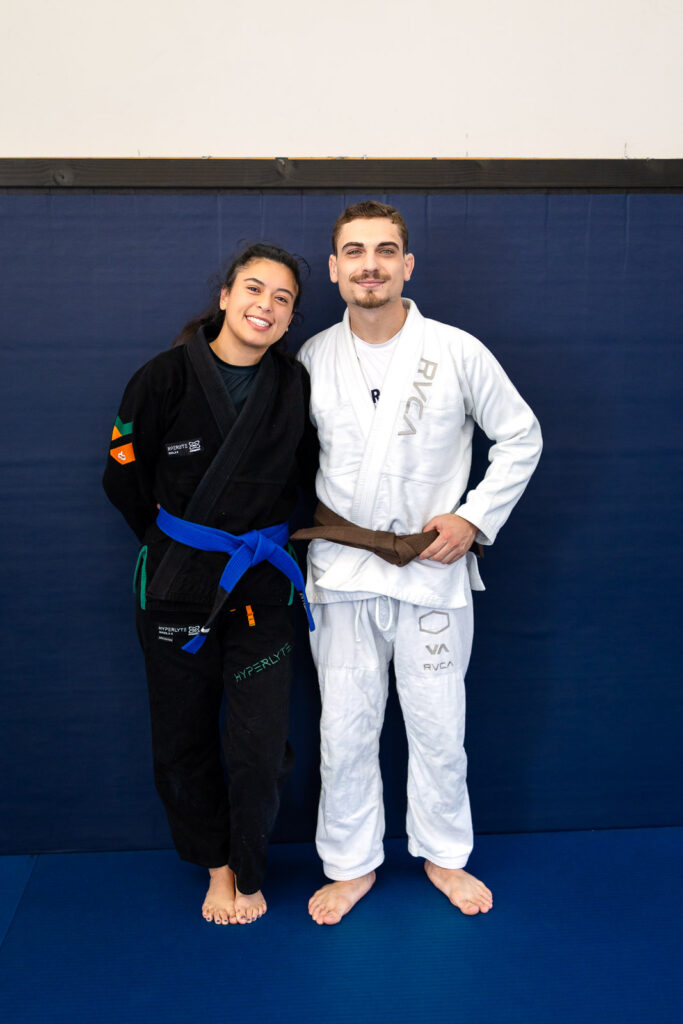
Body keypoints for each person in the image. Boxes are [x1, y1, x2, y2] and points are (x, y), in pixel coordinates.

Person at [296, 201, 542, 925]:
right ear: (337, 267)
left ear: (406, 265)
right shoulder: (312, 357)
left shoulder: (457, 351)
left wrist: (472, 517)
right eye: (353, 251)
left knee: (437, 724)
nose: (368, 264)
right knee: (343, 729)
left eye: (384, 250)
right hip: (341, 571)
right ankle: (349, 862)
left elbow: (520, 437)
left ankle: (443, 854)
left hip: (431, 570)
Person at [103, 243, 317, 926]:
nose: (266, 305)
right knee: (183, 739)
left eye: (282, 299)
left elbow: (308, 481)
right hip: (174, 583)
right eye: (254, 289)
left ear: (289, 320)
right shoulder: (161, 378)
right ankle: (218, 870)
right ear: (225, 296)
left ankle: (250, 867)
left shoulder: (295, 386)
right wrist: (178, 549)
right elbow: (123, 479)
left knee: (258, 748)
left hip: (261, 586)